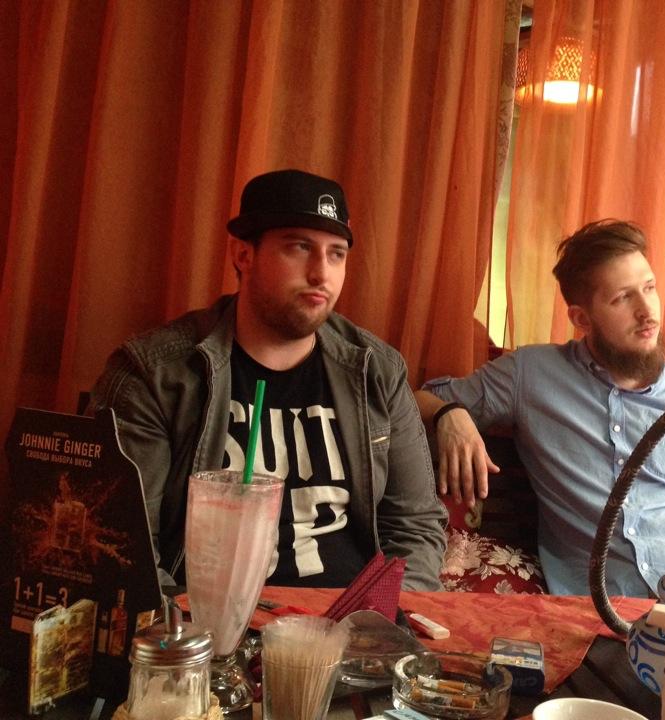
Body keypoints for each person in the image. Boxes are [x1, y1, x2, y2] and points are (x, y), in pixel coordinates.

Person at [89, 169, 447, 590]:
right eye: (300, 247)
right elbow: (122, 547)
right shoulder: (155, 374)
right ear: (244, 255)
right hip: (207, 618)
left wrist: (379, 616)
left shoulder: (377, 370)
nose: (321, 273)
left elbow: (415, 528)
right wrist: (187, 626)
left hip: (348, 619)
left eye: (336, 254)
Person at [415, 219, 665, 597]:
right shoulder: (531, 375)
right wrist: (449, 414)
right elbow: (418, 399)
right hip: (597, 611)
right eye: (622, 298)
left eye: (649, 288)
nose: (647, 312)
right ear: (581, 319)